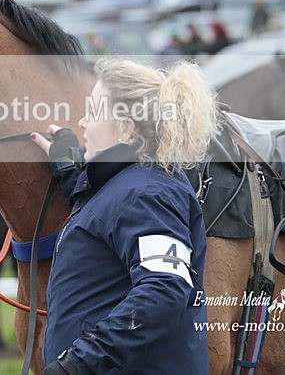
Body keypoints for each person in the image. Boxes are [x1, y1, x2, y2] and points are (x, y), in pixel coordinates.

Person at [30, 56, 219, 374]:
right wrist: (69, 168)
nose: (83, 123)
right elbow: (108, 215)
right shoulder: (135, 183)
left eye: (93, 112)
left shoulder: (148, 194)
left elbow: (165, 289)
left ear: (127, 129)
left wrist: (77, 363)